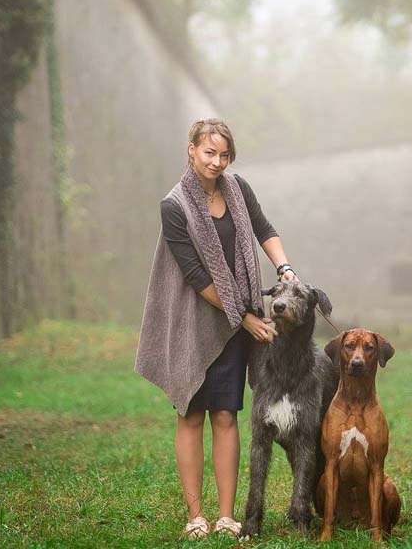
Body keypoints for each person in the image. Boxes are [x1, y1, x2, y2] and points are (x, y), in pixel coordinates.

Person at [134, 118, 299, 539]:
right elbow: (195, 275)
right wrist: (246, 318)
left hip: (233, 325)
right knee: (190, 414)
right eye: (209, 153)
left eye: (224, 155)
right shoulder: (174, 206)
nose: (217, 162)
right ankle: (195, 516)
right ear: (191, 149)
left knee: (226, 414)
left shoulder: (238, 189)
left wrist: (285, 267)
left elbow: (264, 230)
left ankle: (226, 516)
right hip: (193, 320)